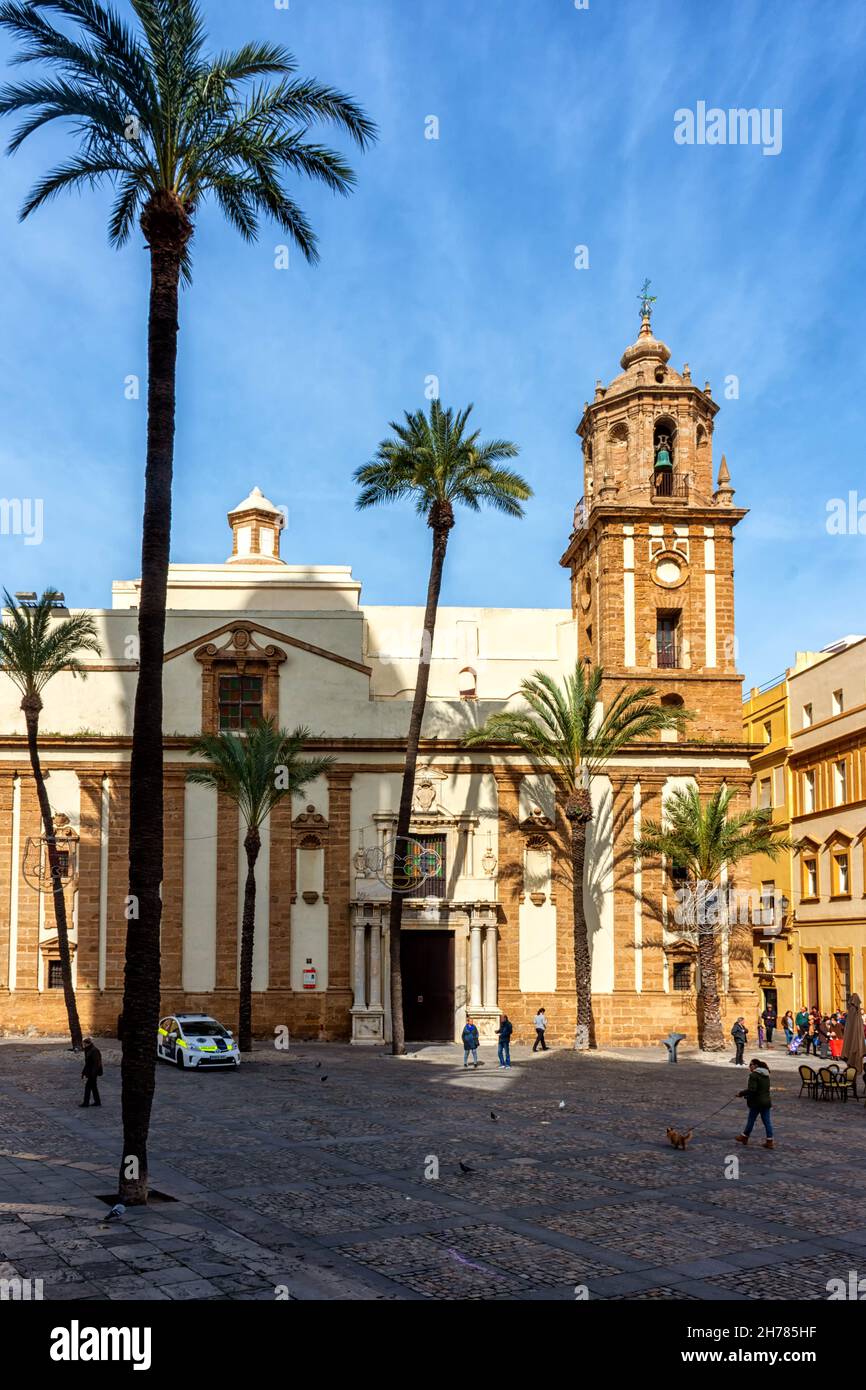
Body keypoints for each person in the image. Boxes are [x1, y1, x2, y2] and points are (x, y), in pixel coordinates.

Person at [735, 1059, 774, 1149]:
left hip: (757, 1102)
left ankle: (744, 1137)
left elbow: (752, 1089)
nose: (749, 1067)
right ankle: (769, 1141)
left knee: (751, 1120)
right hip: (766, 1101)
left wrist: (741, 1094)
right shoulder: (766, 1074)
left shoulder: (754, 1075)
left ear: (756, 1065)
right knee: (767, 1122)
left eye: (751, 1065)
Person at [80, 1037, 103, 1107]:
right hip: (90, 1072)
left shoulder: (94, 1051)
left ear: (87, 1043)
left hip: (93, 1073)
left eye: (84, 1044)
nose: (83, 1045)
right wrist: (83, 1072)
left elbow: (96, 1063)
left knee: (88, 1087)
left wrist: (93, 1074)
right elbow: (87, 1063)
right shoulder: (88, 1050)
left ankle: (86, 1103)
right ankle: (97, 1101)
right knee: (93, 1087)